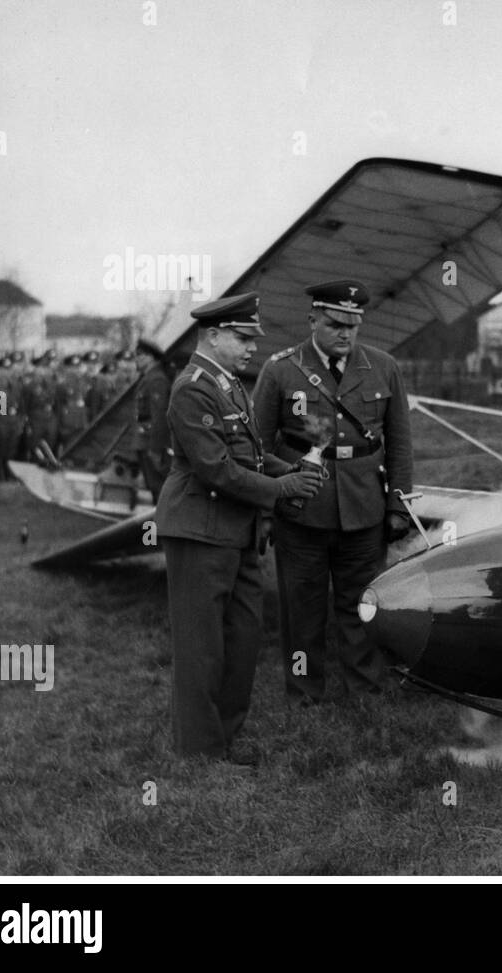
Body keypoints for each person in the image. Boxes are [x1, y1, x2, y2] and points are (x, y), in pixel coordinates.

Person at [156, 292, 322, 761]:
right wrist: (281, 491)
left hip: (236, 532)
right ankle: (200, 753)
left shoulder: (228, 383)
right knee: (201, 647)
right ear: (213, 336)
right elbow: (216, 469)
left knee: (242, 641)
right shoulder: (192, 387)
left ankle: (224, 740)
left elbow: (247, 455)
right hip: (200, 530)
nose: (253, 347)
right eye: (243, 338)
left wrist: (286, 470)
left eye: (253, 339)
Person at [253, 280, 414, 704]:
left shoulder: (383, 367)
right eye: (335, 324)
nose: (345, 333)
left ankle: (365, 691)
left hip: (364, 508)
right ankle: (304, 694)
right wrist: (282, 487)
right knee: (301, 609)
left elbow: (399, 442)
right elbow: (254, 447)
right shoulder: (281, 369)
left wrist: (398, 504)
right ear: (313, 321)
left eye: (353, 325)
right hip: (302, 510)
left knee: (362, 604)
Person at [132, 338, 172, 501]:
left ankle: (161, 526)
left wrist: (155, 450)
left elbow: (159, 418)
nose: (136, 359)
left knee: (159, 491)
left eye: (140, 355)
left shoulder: (156, 380)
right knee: (154, 489)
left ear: (151, 357)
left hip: (152, 445)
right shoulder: (148, 378)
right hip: (145, 442)